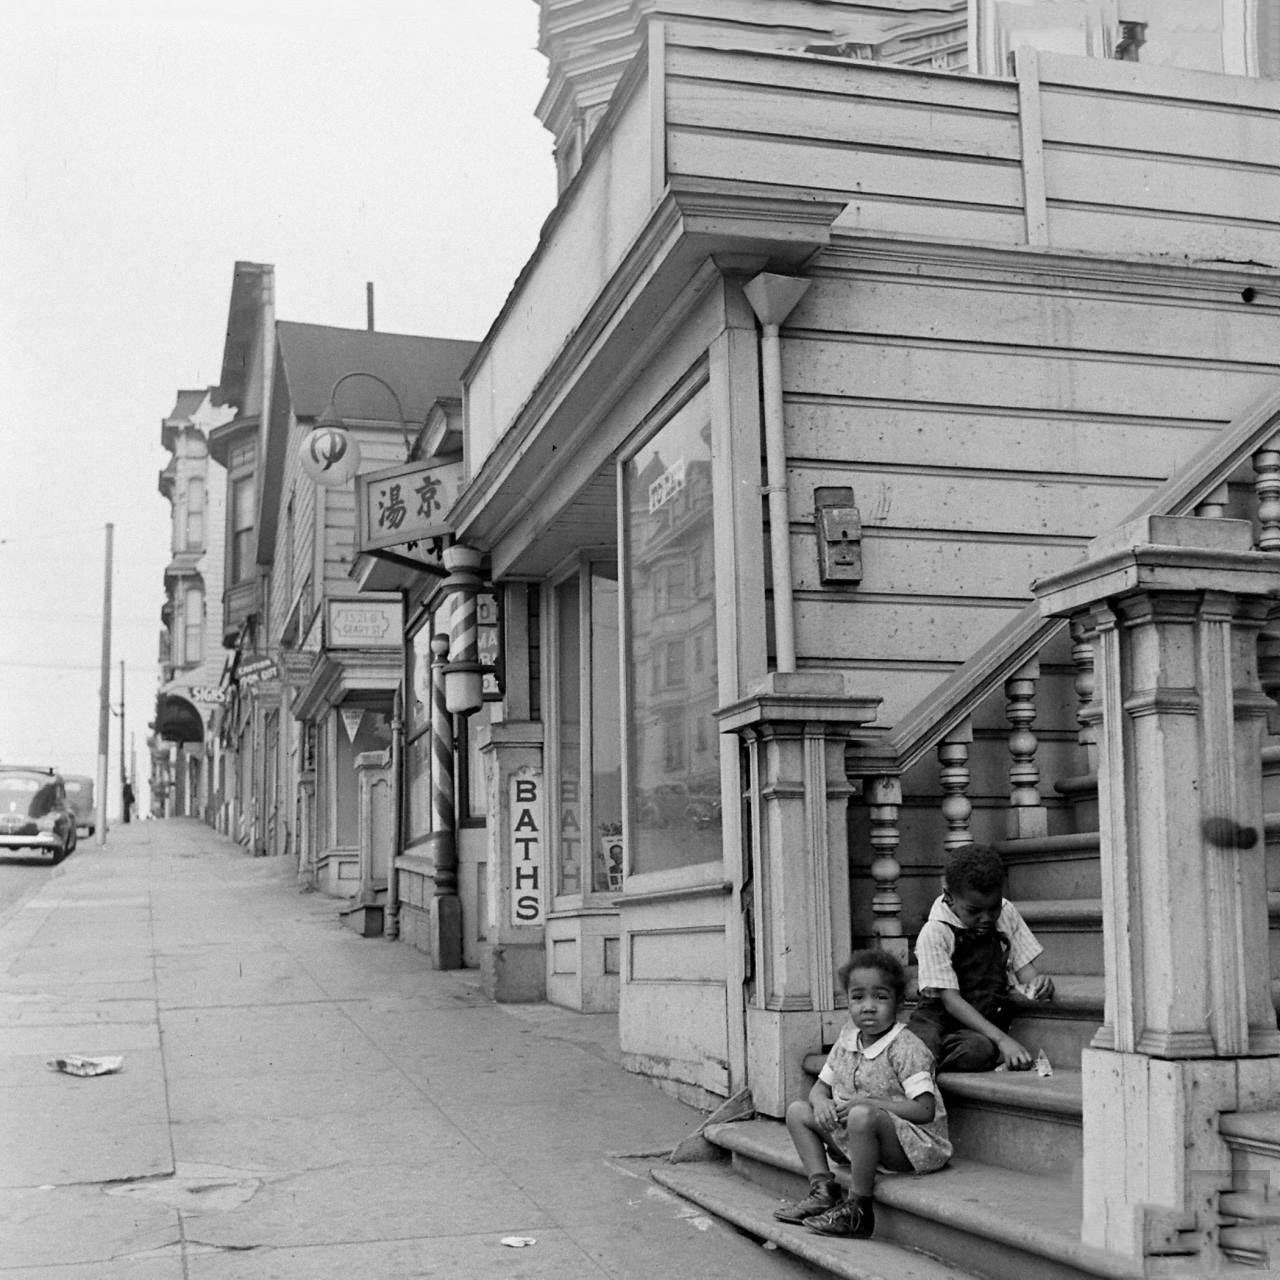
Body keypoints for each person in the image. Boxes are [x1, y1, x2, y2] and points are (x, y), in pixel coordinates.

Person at [772, 948, 951, 1239]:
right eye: (858, 997)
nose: (868, 1007)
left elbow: (924, 1110)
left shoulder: (906, 1047)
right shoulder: (847, 1041)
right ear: (848, 1002)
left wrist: (867, 1103)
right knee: (798, 1110)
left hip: (910, 1146)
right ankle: (823, 1191)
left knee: (861, 1114)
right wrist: (822, 1104)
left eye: (880, 997)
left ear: (899, 1003)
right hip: (858, 1135)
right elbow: (819, 1088)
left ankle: (858, 1209)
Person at [907, 843, 1054, 1072]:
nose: (986, 918)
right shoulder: (935, 932)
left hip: (978, 1024)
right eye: (974, 911)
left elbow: (1026, 972)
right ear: (949, 897)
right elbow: (950, 1000)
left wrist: (1038, 982)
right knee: (920, 1051)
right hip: (939, 1019)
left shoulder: (1006, 912)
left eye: (993, 908)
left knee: (978, 1051)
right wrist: (1003, 1040)